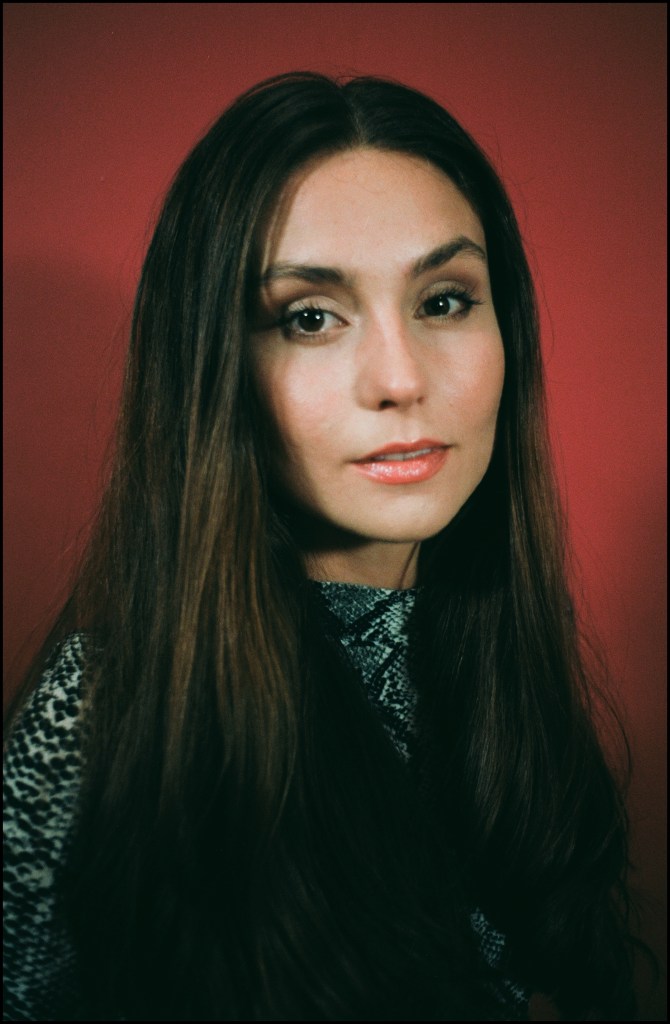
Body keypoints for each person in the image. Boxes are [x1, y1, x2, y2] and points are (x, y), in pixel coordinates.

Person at [4, 71, 642, 1021]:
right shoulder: (109, 718)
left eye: (444, 301)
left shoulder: (501, 678)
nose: (400, 378)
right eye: (310, 317)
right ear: (215, 365)